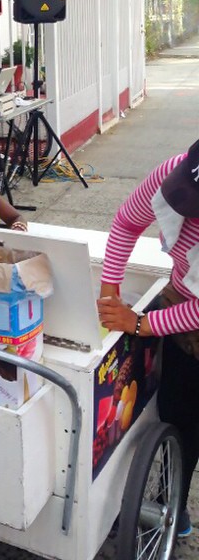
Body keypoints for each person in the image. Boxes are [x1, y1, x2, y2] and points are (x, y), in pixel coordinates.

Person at [97, 139, 199, 538]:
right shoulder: (175, 170)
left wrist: (139, 324)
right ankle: (172, 497)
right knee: (176, 408)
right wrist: (110, 292)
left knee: (191, 420)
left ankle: (171, 504)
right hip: (183, 296)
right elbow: (126, 222)